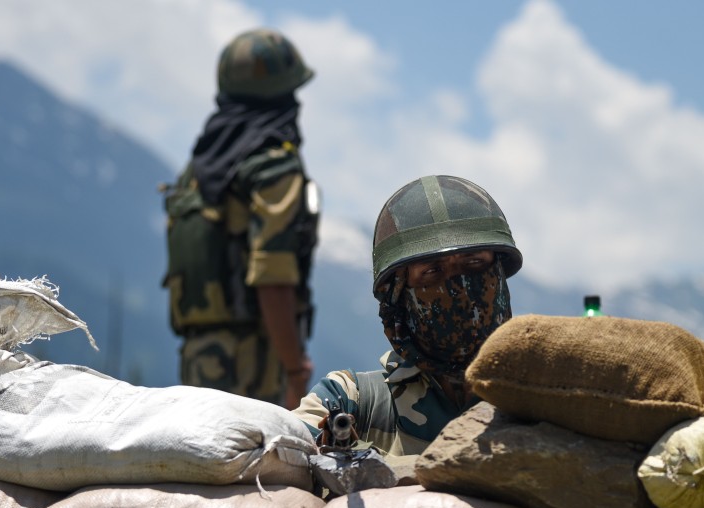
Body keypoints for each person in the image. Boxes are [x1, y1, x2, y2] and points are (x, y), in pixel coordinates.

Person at [293, 174, 522, 478]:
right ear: (398, 297)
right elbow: (279, 451)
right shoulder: (350, 399)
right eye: (432, 272)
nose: (457, 288)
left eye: (474, 265)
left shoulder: (541, 395)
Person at [162, 28, 319, 409]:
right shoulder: (273, 167)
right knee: (262, 467)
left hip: (198, 354)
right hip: (255, 360)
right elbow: (273, 277)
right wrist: (295, 369)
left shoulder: (199, 168)